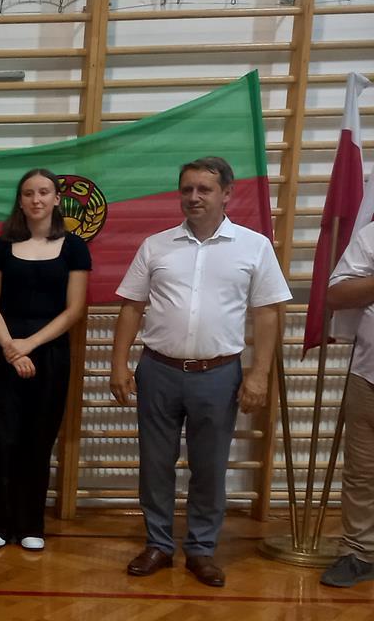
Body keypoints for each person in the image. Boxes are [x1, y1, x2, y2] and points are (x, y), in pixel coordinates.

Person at [110, 156, 290, 588]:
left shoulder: (254, 246)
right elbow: (132, 307)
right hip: (158, 370)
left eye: (204, 189)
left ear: (226, 194)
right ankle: (158, 543)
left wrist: (258, 375)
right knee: (155, 463)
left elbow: (267, 314)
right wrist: (118, 364)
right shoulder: (156, 246)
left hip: (219, 374)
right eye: (187, 189)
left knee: (209, 466)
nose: (194, 197)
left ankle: (201, 549)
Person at [0, 169, 91, 551]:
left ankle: (31, 524)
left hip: (50, 351)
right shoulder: (1, 245)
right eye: (28, 193)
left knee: (38, 439)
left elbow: (74, 309)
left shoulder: (74, 247)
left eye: (44, 192)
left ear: (57, 198)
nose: (36, 199)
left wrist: (30, 344)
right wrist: (11, 347)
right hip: (2, 350)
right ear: (20, 200)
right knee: (0, 438)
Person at [318, 223, 374, 587]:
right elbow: (336, 294)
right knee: (362, 472)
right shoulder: (372, 235)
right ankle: (358, 553)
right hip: (368, 375)